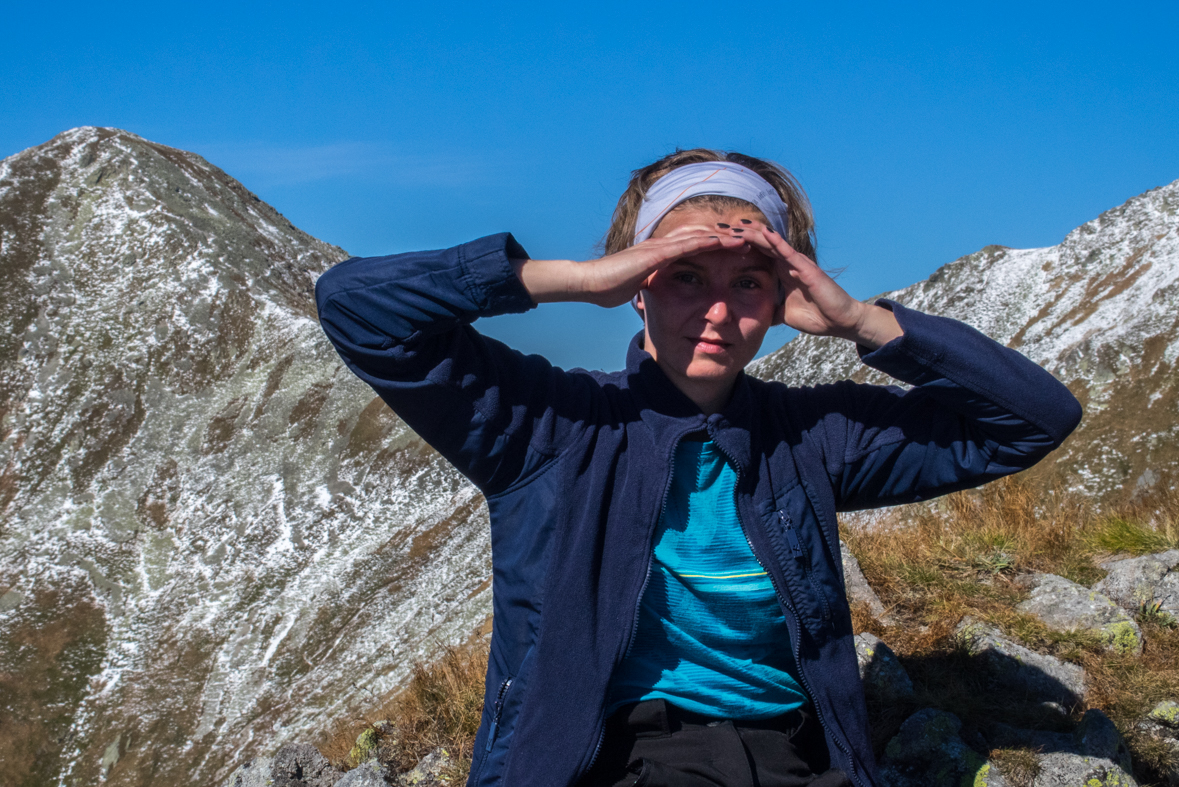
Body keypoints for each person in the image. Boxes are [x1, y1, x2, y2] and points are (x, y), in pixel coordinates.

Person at [315, 149, 1082, 787]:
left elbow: (1032, 419)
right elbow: (357, 309)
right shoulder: (552, 427)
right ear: (638, 282)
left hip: (792, 756)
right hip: (603, 758)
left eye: (746, 281)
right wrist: (579, 279)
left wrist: (859, 321)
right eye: (684, 272)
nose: (716, 311)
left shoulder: (810, 435)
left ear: (781, 293)